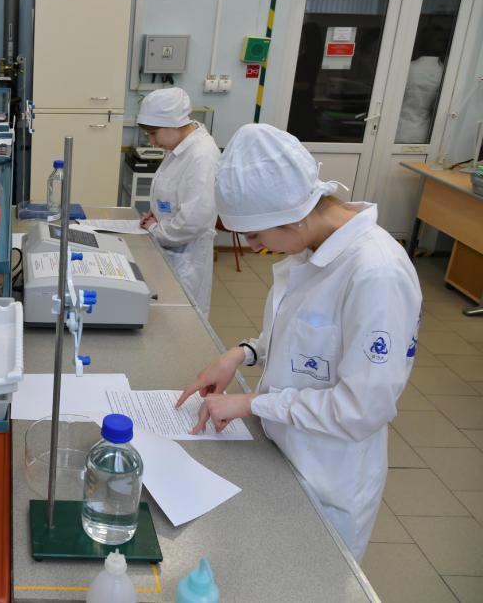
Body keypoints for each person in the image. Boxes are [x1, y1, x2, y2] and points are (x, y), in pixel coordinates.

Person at [177, 124, 422, 561]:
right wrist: (242, 353)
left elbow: (362, 409)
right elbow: (301, 339)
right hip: (283, 452)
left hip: (326, 475)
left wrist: (252, 403)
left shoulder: (375, 273)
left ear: (292, 217)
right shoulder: (311, 248)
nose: (256, 248)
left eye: (256, 236)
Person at [136, 88, 220, 315]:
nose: (152, 142)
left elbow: (192, 222)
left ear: (172, 124)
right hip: (169, 248)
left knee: (181, 318)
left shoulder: (201, 155)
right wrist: (157, 215)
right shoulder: (181, 148)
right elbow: (174, 196)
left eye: (154, 134)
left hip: (186, 259)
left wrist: (156, 228)